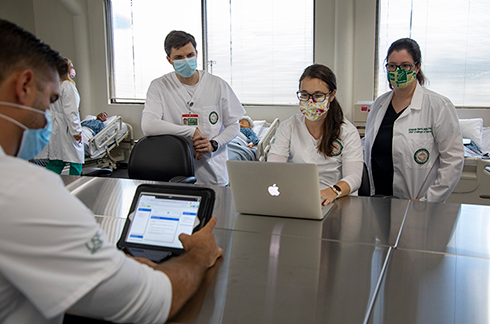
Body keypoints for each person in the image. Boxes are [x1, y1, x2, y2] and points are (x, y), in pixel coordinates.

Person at [0, 19, 222, 324]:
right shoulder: (20, 191)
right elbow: (147, 301)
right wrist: (199, 254)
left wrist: (117, 268)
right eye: (50, 101)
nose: (48, 121)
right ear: (24, 86)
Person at [364, 38, 464, 202]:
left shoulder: (438, 105)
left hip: (418, 204)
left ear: (417, 67)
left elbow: (453, 160)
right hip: (378, 200)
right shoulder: (379, 105)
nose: (398, 71)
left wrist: (430, 200)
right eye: (392, 66)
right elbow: (367, 147)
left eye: (405, 65)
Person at [141, 30, 245, 186]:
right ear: (169, 60)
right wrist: (191, 131)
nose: (186, 60)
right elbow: (148, 125)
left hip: (212, 172)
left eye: (190, 55)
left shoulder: (217, 85)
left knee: (214, 209)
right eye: (179, 57)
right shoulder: (159, 86)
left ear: (196, 53)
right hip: (173, 171)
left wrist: (213, 143)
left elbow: (233, 125)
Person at [268, 64, 363, 205]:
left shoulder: (347, 132)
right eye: (305, 95)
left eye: (318, 95)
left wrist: (333, 191)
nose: (310, 101)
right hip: (296, 199)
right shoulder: (289, 127)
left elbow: (354, 177)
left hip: (333, 200)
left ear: (332, 95)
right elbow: (273, 168)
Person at [42, 58, 84, 175]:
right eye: (71, 68)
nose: (72, 70)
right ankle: (74, 187)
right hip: (66, 128)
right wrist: (76, 131)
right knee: (76, 161)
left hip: (54, 127)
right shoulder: (68, 86)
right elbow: (71, 112)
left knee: (56, 161)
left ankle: (46, 187)